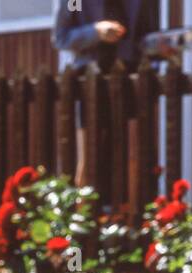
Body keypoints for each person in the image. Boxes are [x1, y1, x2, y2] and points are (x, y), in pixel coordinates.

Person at [53, 0, 163, 187]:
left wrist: (161, 47)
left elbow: (147, 37)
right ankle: (86, 213)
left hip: (130, 77)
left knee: (131, 156)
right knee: (90, 159)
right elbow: (61, 37)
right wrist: (95, 32)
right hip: (91, 79)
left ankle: (128, 212)